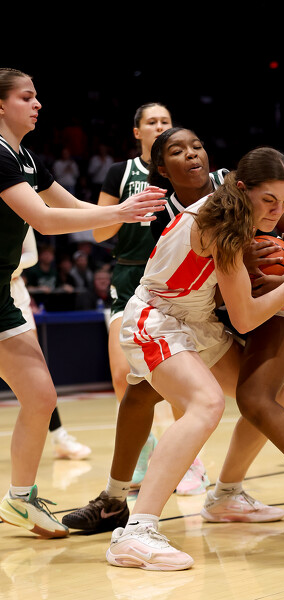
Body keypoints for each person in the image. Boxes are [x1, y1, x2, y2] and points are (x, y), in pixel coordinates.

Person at [63, 134, 284, 571]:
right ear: (242, 188)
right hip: (158, 318)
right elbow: (246, 318)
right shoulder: (223, 224)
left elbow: (235, 295)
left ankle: (215, 496)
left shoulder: (229, 209)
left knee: (275, 397)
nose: (277, 211)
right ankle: (136, 531)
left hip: (196, 322)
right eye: (269, 200)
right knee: (206, 403)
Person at [0, 67, 167, 539]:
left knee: (40, 397)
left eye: (36, 96)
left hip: (2, 294)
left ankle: (19, 500)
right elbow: (43, 219)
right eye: (26, 96)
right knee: (39, 395)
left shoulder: (25, 158)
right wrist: (120, 210)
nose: (37, 104)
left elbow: (70, 205)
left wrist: (122, 213)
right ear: (1, 105)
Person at [92, 104, 208, 494]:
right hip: (129, 277)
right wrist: (125, 212)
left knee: (179, 377)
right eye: (151, 122)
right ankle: (145, 453)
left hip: (174, 281)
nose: (159, 126)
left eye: (165, 121)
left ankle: (191, 462)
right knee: (121, 375)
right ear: (137, 131)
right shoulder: (120, 173)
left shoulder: (188, 172)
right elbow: (98, 234)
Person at [11, 227, 91, 459]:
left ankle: (58, 436)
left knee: (37, 372)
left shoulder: (17, 208)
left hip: (13, 292)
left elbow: (31, 254)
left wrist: (6, 265)